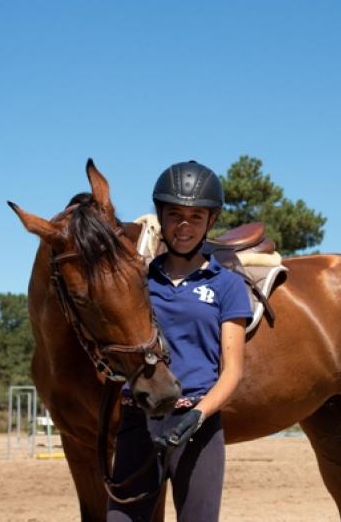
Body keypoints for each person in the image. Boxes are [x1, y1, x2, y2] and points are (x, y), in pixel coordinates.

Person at [107, 161, 253, 522]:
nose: (184, 226)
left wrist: (198, 416)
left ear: (210, 222)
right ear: (161, 217)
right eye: (175, 215)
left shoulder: (228, 286)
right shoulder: (138, 282)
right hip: (138, 423)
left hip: (198, 427)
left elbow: (232, 371)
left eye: (195, 217)